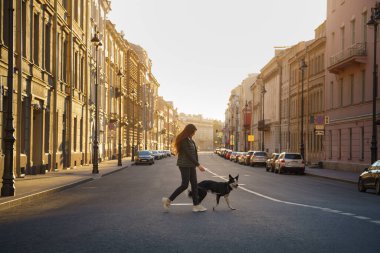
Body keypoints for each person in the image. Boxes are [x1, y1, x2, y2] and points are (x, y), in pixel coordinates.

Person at [162, 124, 207, 212]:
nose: (194, 134)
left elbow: (194, 153)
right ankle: (168, 201)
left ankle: (196, 205)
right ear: (189, 131)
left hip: (191, 165)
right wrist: (198, 165)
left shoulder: (191, 140)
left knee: (194, 185)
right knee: (184, 185)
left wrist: (197, 164)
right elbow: (188, 154)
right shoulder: (183, 140)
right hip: (184, 165)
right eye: (193, 132)